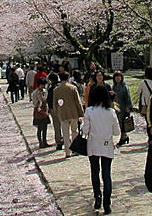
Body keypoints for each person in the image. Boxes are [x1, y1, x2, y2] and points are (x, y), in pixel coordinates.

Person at [82, 84, 122, 214]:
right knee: (106, 175)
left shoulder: (89, 111)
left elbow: (85, 130)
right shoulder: (111, 112)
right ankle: (107, 203)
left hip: (93, 145)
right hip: (107, 145)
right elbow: (117, 132)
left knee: (95, 172)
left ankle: (97, 197)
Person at [53, 70, 84, 158]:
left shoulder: (56, 89)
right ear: (68, 78)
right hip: (73, 113)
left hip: (63, 114)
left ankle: (67, 152)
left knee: (65, 134)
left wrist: (57, 113)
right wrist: (81, 113)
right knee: (75, 131)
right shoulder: (72, 88)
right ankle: (75, 149)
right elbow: (78, 101)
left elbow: (54, 103)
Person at [112, 70, 133, 146]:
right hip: (117, 107)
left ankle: (123, 137)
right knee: (119, 123)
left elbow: (128, 97)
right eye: (116, 77)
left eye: (119, 77)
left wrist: (128, 106)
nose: (117, 78)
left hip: (123, 107)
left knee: (123, 123)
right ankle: (124, 136)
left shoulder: (124, 86)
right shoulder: (114, 87)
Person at [138, 66, 152, 141]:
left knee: (148, 122)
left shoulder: (143, 82)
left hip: (146, 104)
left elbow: (138, 91)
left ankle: (150, 138)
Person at [32, 76, 51, 147]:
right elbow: (34, 103)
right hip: (38, 111)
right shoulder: (35, 93)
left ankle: (45, 141)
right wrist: (40, 100)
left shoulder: (45, 91)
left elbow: (46, 100)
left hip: (45, 109)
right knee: (40, 128)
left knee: (45, 127)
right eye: (42, 84)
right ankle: (40, 142)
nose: (43, 86)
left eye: (44, 85)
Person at [47, 73, 64, 149]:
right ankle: (66, 139)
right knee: (64, 124)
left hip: (54, 108)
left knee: (57, 126)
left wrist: (50, 108)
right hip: (63, 107)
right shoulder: (61, 86)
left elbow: (49, 99)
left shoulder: (51, 88)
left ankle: (59, 142)